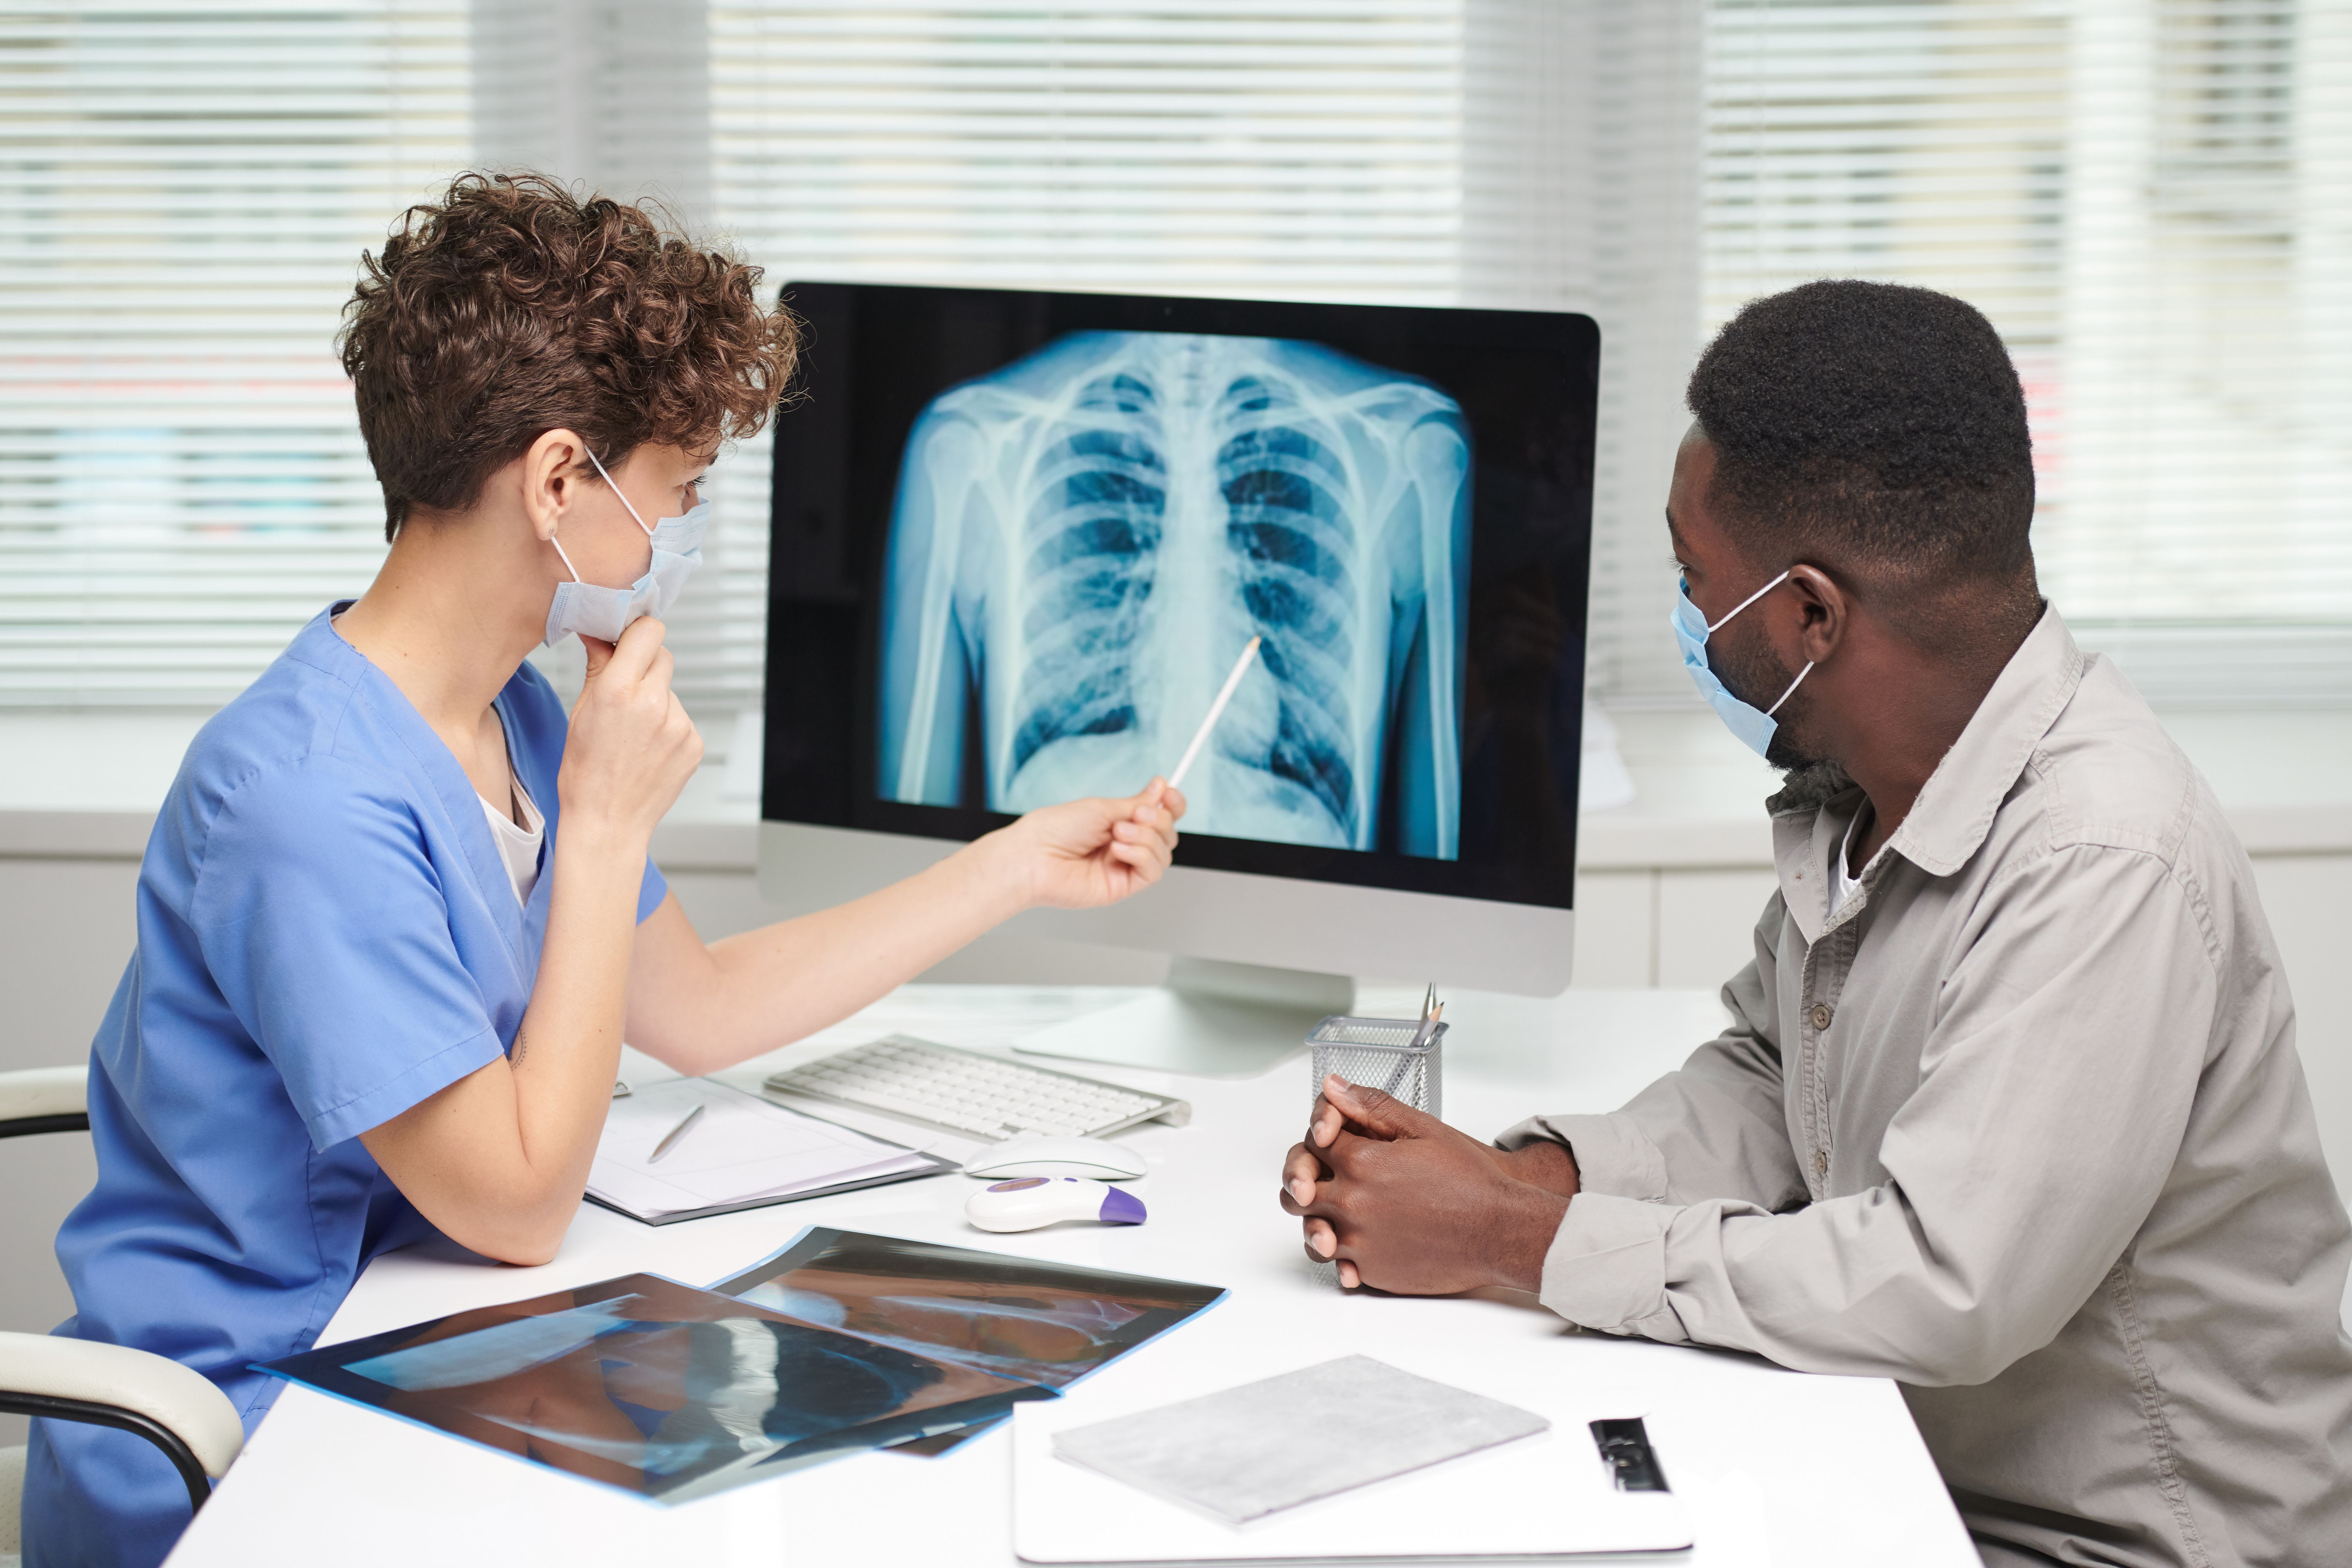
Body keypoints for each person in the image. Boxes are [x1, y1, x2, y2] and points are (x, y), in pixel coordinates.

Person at [25, 172, 1184, 1568]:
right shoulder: (304, 803)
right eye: (680, 490)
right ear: (563, 481)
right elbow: (515, 1206)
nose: (689, 531)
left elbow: (690, 1006)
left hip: (421, 1343)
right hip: (253, 1433)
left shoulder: (509, 707)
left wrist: (1007, 871)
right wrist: (612, 825)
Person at [1280, 280, 2352, 1566]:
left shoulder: (2100, 861)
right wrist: (1517, 1179)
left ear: (1807, 615)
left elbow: (1946, 1285)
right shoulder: (1875, 791)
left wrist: (1513, 1240)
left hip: (2107, 1541)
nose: (1684, 618)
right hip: (1891, 1450)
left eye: (1693, 582)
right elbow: (1773, 1081)